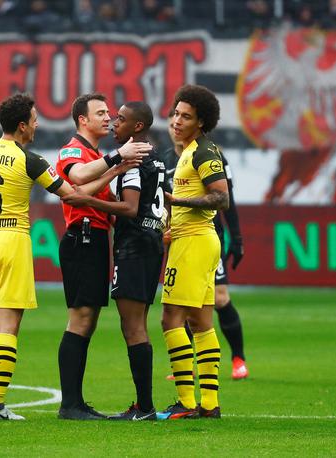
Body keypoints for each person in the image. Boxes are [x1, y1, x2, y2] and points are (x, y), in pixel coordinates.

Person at [0, 93, 79, 421]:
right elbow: (69, 193)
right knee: (8, 322)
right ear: (22, 126)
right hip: (13, 241)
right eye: (34, 120)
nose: (37, 125)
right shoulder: (30, 160)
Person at [62, 101, 167, 421]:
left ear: (137, 126)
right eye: (103, 114)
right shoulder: (75, 150)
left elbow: (128, 205)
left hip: (125, 244)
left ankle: (140, 407)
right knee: (84, 319)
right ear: (82, 120)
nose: (110, 120)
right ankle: (72, 405)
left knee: (118, 325)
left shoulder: (129, 156)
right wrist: (115, 164)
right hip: (91, 238)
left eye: (116, 116)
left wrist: (92, 193)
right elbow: (76, 180)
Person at [156, 84, 228, 420]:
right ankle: (209, 405)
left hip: (195, 241)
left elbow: (220, 197)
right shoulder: (188, 151)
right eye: (176, 113)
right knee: (200, 321)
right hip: (193, 239)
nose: (177, 120)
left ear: (201, 121)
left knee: (170, 317)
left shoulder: (203, 152)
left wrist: (177, 202)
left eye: (186, 116)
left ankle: (185, 402)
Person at [162, 110, 248, 380]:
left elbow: (226, 199)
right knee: (185, 304)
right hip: (178, 238)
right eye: (173, 118)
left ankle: (238, 359)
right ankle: (186, 368)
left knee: (219, 299)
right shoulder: (166, 160)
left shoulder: (211, 154)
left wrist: (237, 237)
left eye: (183, 117)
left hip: (208, 235)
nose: (176, 123)